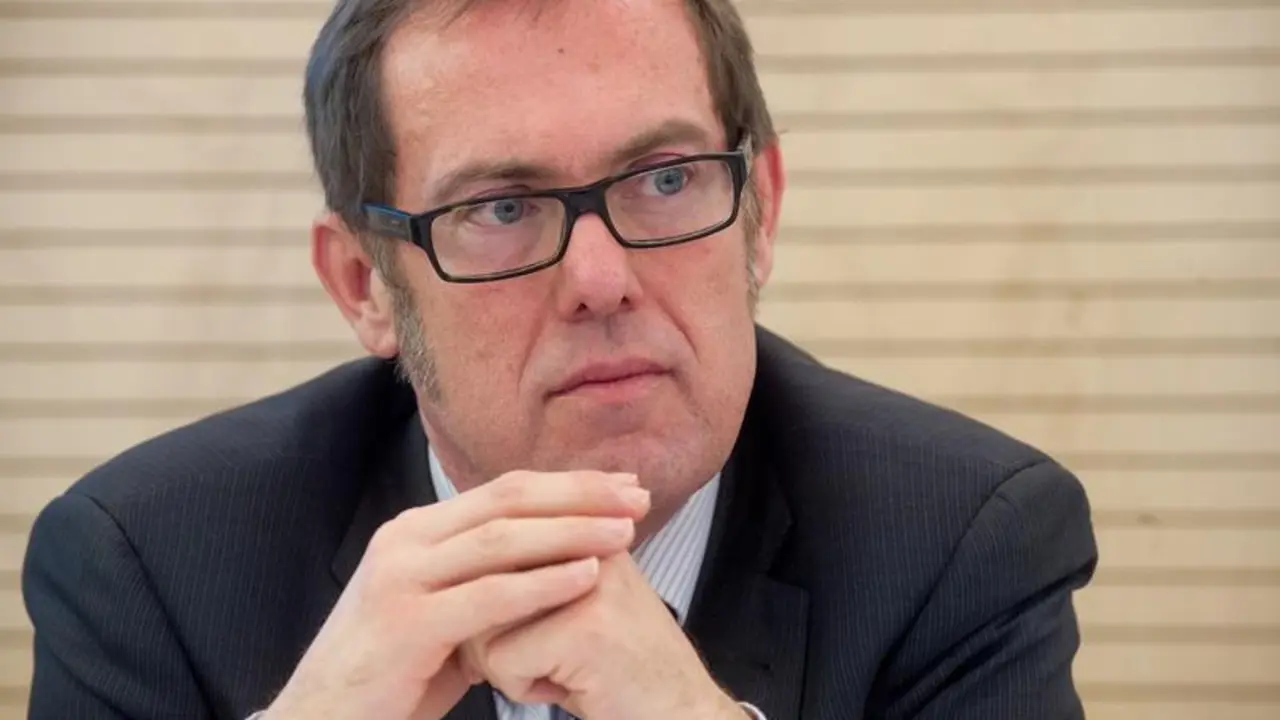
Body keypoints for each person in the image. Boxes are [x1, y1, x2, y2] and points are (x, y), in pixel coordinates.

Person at [21, 0, 1099, 718]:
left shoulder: (959, 543)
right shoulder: (151, 565)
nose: (600, 277)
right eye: (501, 207)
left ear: (759, 211)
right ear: (364, 286)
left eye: (666, 179)